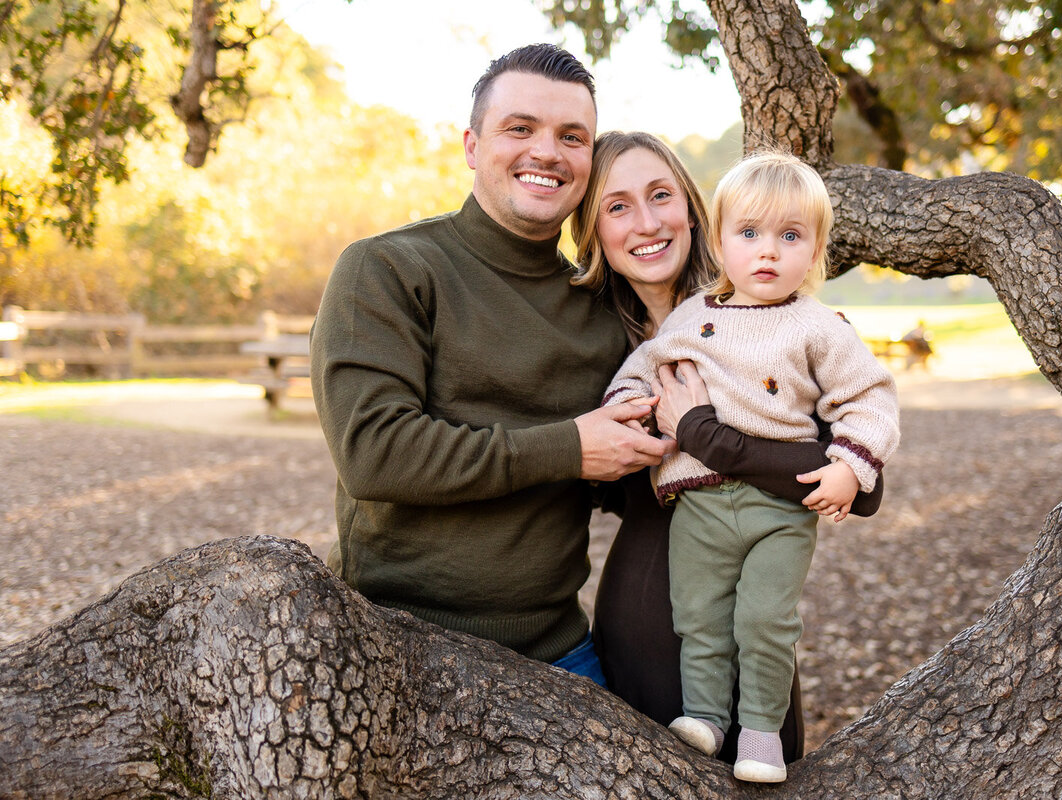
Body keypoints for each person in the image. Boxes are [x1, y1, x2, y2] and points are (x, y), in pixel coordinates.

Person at [308, 44, 669, 685]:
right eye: (520, 128)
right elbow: (373, 453)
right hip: (396, 642)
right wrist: (568, 448)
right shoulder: (389, 269)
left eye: (571, 137)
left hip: (559, 651)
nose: (547, 153)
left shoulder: (601, 307)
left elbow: (628, 482)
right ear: (473, 145)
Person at [571, 132, 884, 766]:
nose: (648, 222)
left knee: (766, 764)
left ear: (693, 213)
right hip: (650, 595)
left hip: (760, 604)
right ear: (593, 230)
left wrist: (702, 432)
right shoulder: (585, 343)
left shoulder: (793, 320)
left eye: (661, 196)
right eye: (617, 206)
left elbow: (864, 487)